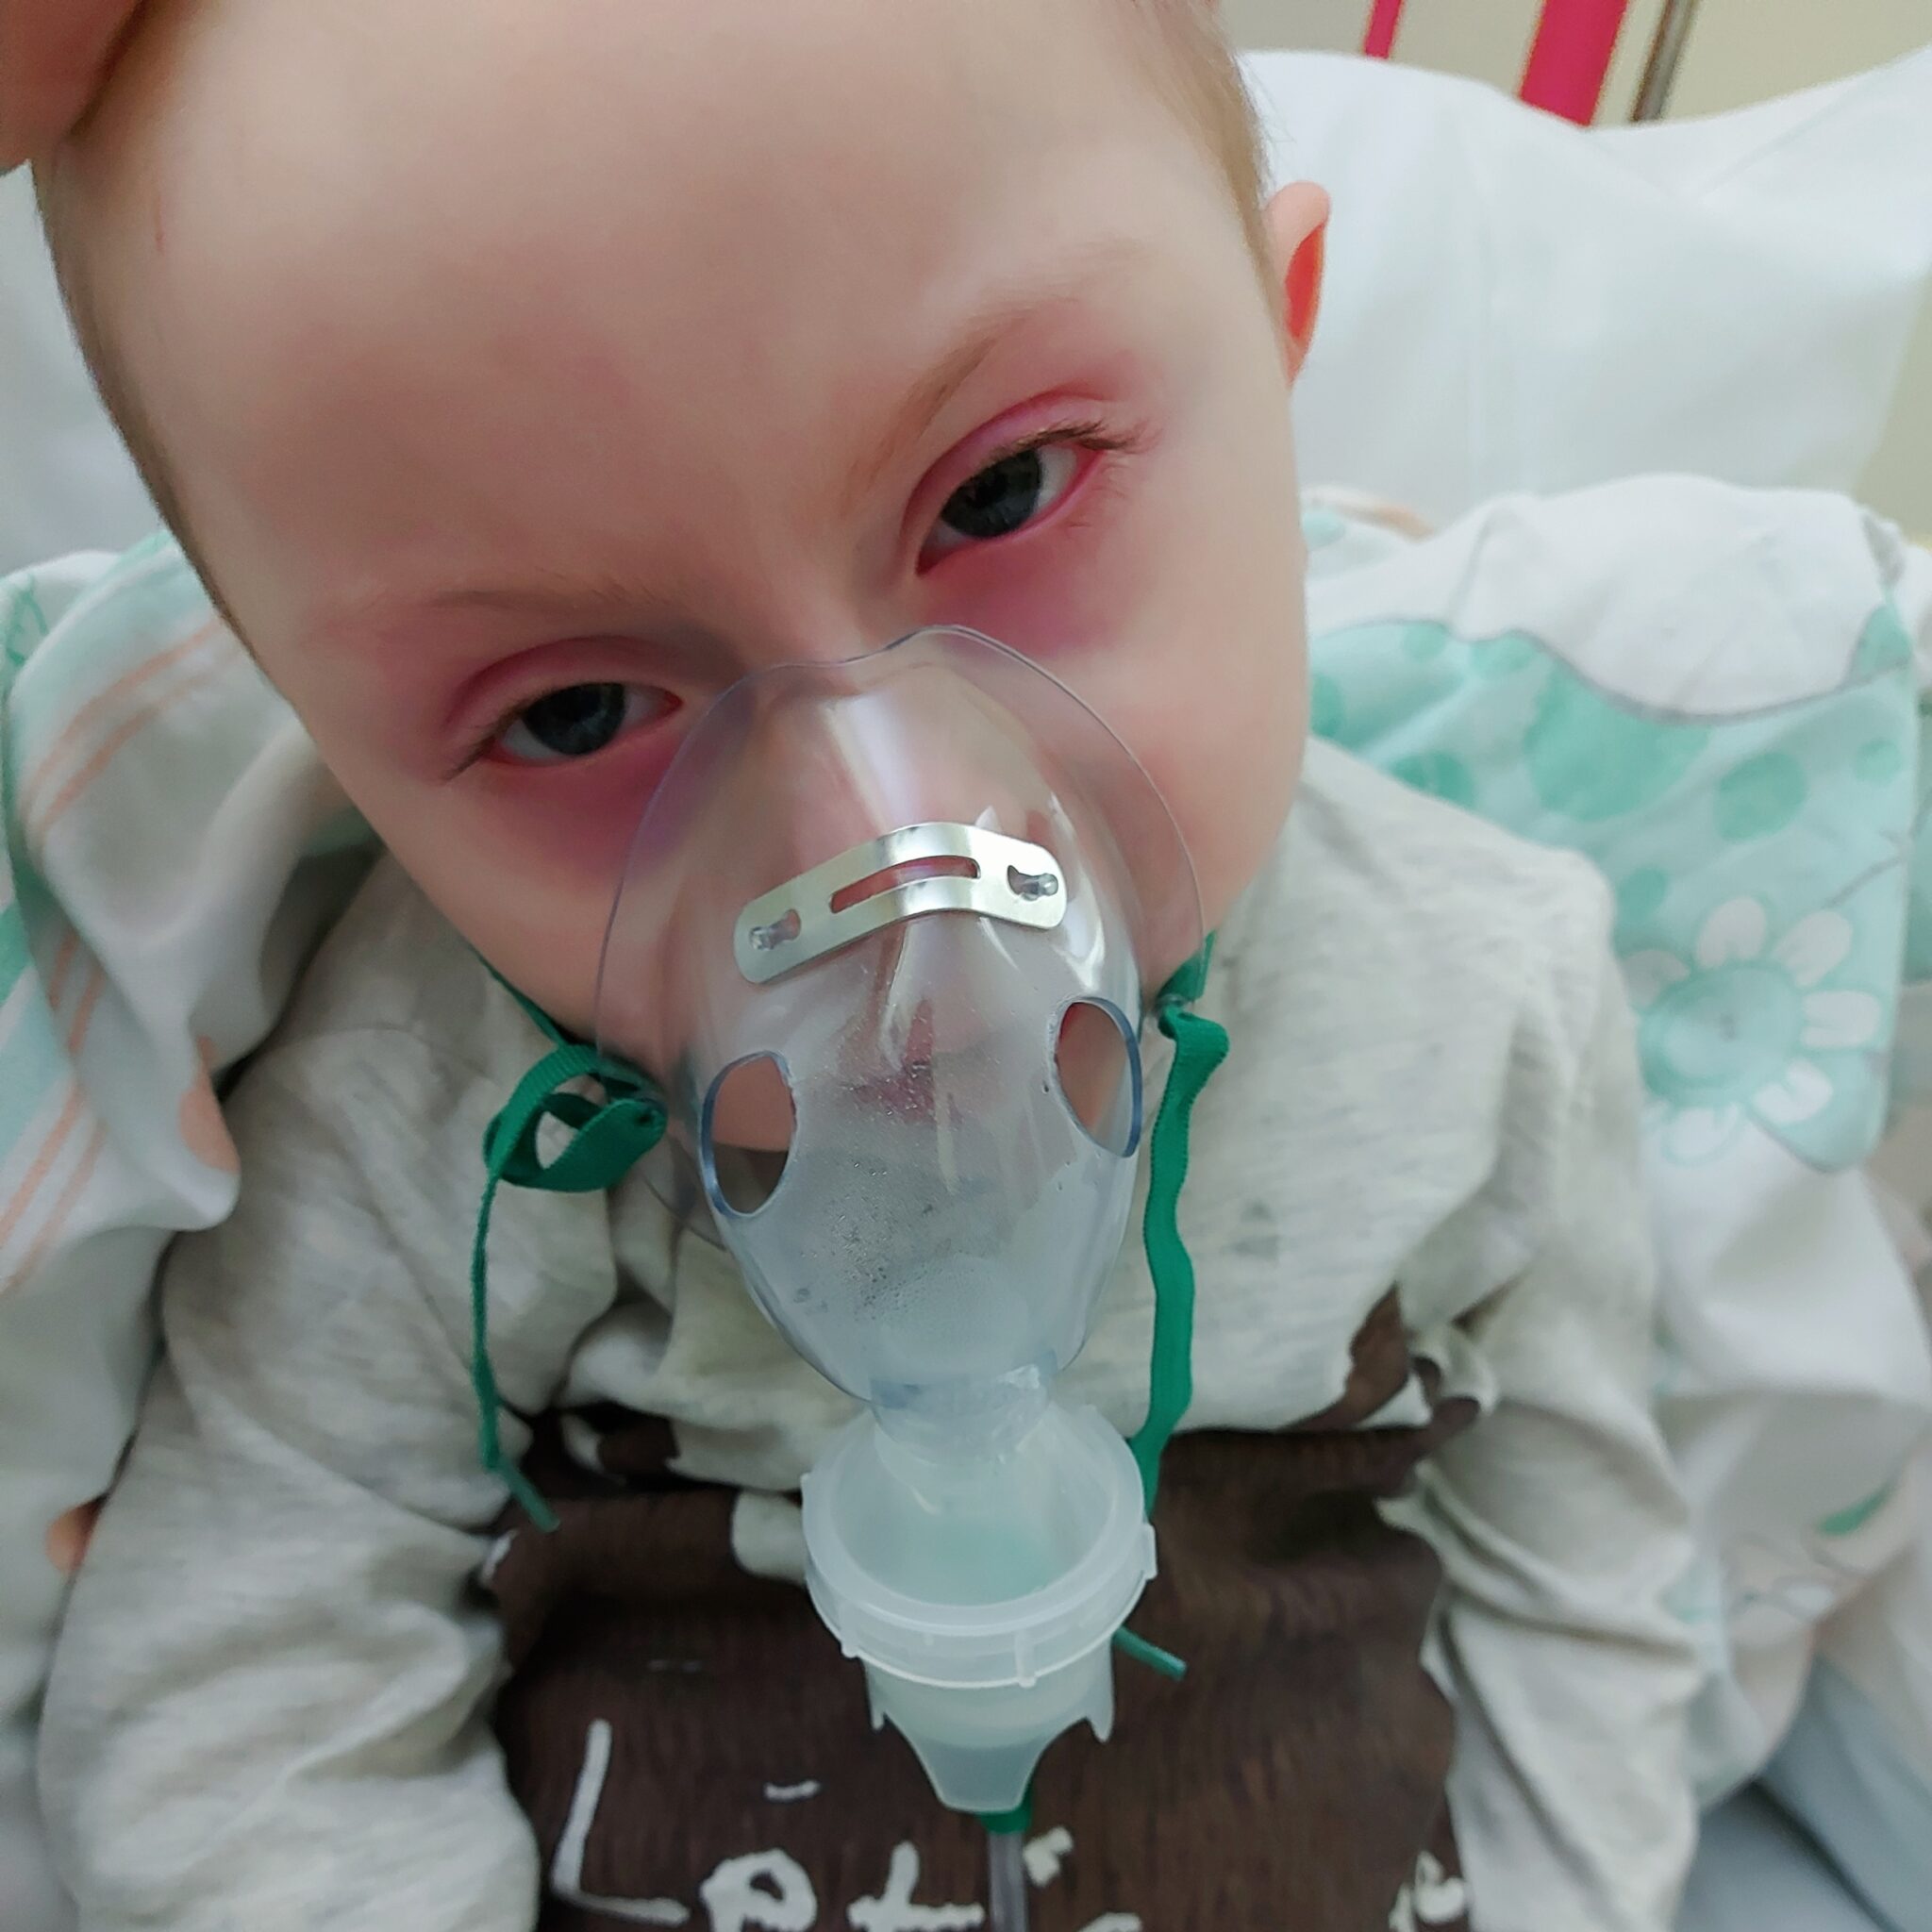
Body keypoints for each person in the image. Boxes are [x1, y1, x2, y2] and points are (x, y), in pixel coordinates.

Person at [25, 1, 1698, 1926]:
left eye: (1001, 493)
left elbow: (1584, 1611)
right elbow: (241, 1719)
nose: (873, 848)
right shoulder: (438, 1122)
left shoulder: (1487, 1000)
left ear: (1278, 324)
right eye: (576, 712)